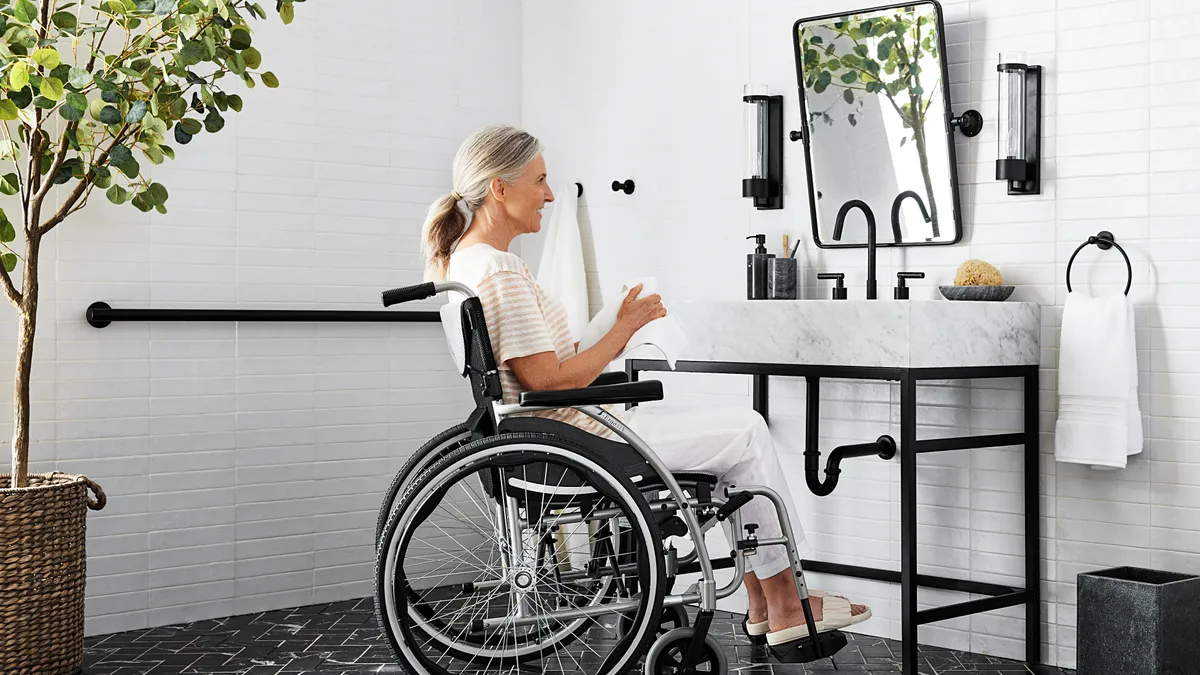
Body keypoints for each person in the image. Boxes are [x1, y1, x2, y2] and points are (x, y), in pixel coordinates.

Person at [419, 124, 869, 645]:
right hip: (575, 438)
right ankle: (785, 604)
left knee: (729, 446)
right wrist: (625, 330)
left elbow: (534, 373)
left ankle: (768, 603)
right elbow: (544, 380)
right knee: (746, 430)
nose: (547, 194)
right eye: (540, 181)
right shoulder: (499, 269)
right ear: (499, 188)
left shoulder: (468, 263)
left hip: (547, 436)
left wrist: (615, 328)